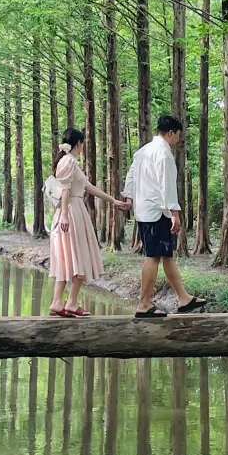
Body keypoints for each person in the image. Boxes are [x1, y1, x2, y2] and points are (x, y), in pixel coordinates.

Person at [122, 114, 207, 318]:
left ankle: (183, 298)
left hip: (144, 210)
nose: (178, 139)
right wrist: (174, 213)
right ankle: (143, 304)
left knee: (167, 256)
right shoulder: (163, 153)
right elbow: (166, 184)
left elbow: (131, 175)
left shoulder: (142, 151)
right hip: (157, 212)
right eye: (178, 135)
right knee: (153, 257)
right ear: (170, 133)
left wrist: (129, 197)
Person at [49, 127, 129, 318]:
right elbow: (66, 189)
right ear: (79, 143)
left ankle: (60, 302)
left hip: (70, 210)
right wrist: (66, 216)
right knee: (78, 256)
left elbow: (87, 186)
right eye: (83, 143)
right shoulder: (68, 161)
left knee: (68, 257)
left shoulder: (68, 161)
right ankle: (69, 302)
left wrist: (113, 201)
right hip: (72, 211)